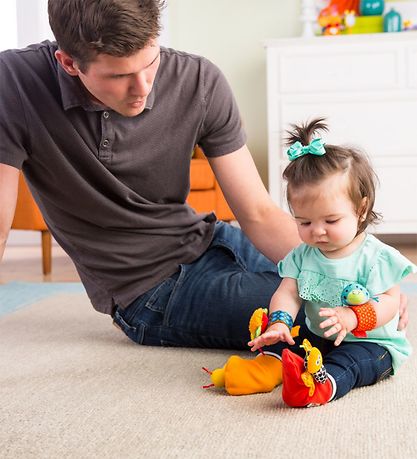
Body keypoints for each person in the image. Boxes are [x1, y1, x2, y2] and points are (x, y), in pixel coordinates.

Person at [0, 1, 408, 396]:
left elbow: (260, 213)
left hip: (213, 238)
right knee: (311, 321)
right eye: (119, 76)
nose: (142, 89)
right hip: (148, 290)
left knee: (338, 304)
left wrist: (356, 272)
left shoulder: (198, 80)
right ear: (69, 63)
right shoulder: (14, 84)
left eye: (150, 62)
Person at [248, 118, 416, 407]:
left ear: (361, 209)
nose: (317, 231)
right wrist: (279, 322)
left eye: (331, 220)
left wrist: (353, 318)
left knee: (350, 364)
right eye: (304, 221)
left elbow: (390, 302)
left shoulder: (375, 257)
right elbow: (288, 292)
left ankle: (322, 388)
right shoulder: (303, 255)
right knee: (291, 343)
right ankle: (272, 367)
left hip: (372, 344)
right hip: (320, 336)